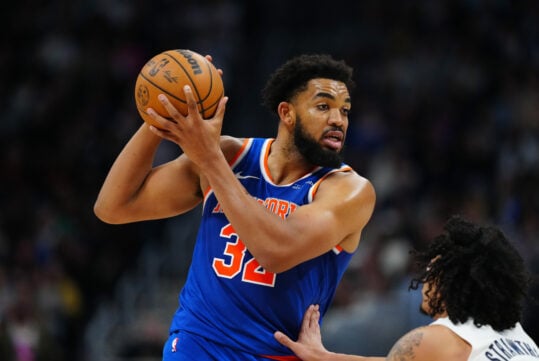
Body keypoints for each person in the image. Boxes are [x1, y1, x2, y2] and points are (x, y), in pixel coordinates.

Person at [94, 54, 376, 360]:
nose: (339, 120)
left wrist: (210, 160)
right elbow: (114, 207)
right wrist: (164, 114)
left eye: (344, 111)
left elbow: (274, 250)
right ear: (287, 113)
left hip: (269, 354)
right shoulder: (230, 154)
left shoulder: (349, 190)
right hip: (195, 344)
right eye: (324, 107)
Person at [274, 215, 539, 361]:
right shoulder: (521, 339)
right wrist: (324, 357)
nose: (424, 279)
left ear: (453, 282)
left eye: (432, 271)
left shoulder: (435, 340)